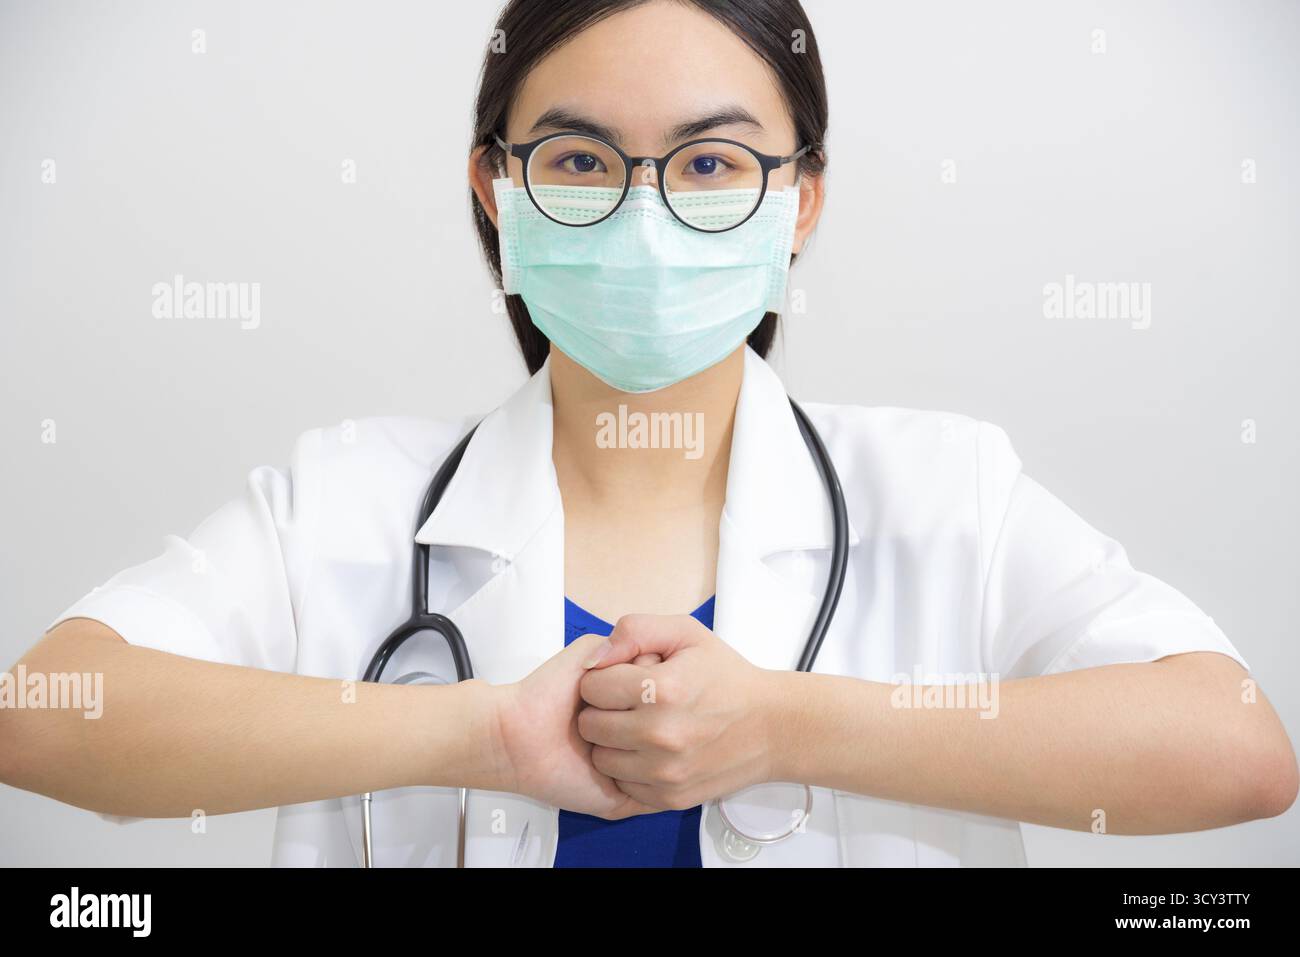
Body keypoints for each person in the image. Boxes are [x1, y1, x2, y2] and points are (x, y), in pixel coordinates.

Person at [2, 0, 1294, 867]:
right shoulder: (342, 503)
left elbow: (1233, 745)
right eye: (576, 162)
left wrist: (785, 725)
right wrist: (477, 734)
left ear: (804, 203)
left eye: (712, 164)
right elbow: (46, 713)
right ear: (493, 190)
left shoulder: (946, 491)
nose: (646, 217)